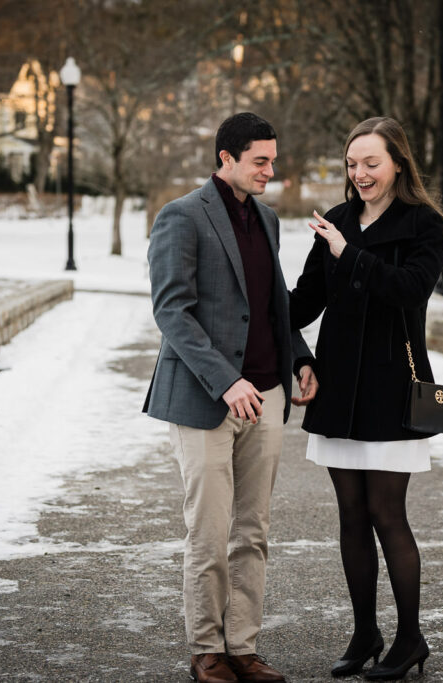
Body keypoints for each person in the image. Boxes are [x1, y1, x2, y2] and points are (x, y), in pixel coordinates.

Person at [144, 112, 318, 683]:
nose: (272, 169)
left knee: (254, 531)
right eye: (260, 160)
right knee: (210, 532)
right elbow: (172, 310)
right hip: (205, 402)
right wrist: (225, 379)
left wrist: (300, 357)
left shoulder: (267, 220)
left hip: (267, 398)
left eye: (273, 158)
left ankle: (242, 645)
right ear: (226, 159)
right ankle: (206, 649)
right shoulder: (181, 217)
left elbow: (275, 305)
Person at [289, 117, 443, 681]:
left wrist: (348, 253)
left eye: (371, 163)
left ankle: (410, 639)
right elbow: (302, 303)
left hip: (391, 393)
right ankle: (365, 633)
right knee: (350, 518)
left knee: (387, 515)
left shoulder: (424, 224)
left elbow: (408, 292)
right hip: (338, 391)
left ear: (398, 163)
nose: (359, 175)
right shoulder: (336, 220)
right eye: (352, 164)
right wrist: (290, 349)